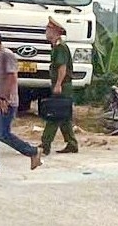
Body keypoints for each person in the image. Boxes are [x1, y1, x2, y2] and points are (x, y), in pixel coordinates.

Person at [0, 27, 42, 179]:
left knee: (3, 134)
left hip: (5, 103)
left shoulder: (7, 56)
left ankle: (33, 151)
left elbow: (11, 78)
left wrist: (4, 98)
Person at [40, 17, 79, 155]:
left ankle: (45, 144)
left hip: (62, 85)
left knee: (54, 115)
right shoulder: (57, 46)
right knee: (64, 116)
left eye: (48, 29)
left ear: (55, 31)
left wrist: (58, 84)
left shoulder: (60, 47)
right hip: (63, 85)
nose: (46, 32)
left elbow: (62, 68)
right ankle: (72, 143)